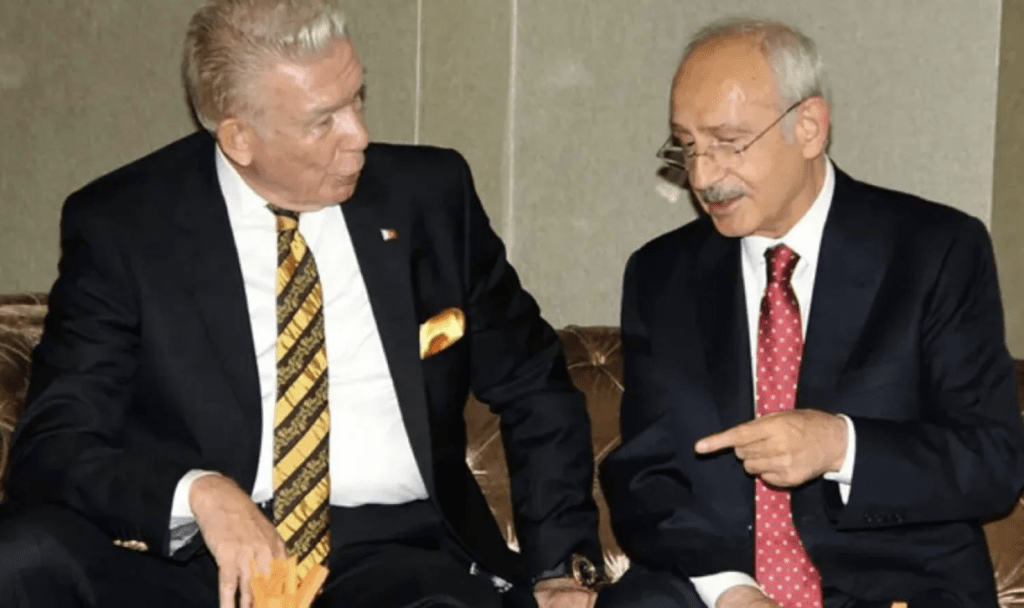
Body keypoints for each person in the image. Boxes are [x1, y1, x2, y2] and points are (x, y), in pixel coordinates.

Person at [0, 1, 606, 607]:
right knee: (23, 557)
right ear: (239, 138)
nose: (359, 135)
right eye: (324, 121)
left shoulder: (429, 198)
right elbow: (53, 446)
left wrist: (562, 567)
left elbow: (534, 384)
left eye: (357, 98)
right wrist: (199, 494)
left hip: (391, 559)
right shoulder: (126, 226)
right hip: (199, 559)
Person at [597, 17, 1024, 608]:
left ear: (809, 128)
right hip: (713, 588)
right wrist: (730, 590)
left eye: (728, 142)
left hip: (897, 587)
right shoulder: (661, 274)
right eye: (688, 146)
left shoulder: (934, 251)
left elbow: (993, 463)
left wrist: (841, 445)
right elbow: (645, 475)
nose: (702, 176)